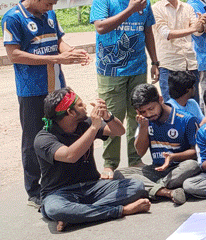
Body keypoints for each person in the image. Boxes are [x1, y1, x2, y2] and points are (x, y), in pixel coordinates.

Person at [4, 0, 89, 207]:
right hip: (32, 90)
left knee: (60, 134)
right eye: (47, 4)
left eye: (53, 5)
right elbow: (14, 55)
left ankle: (60, 183)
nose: (50, 9)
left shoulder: (50, 16)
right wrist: (55, 58)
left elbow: (58, 40)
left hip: (57, 88)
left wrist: (72, 51)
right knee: (33, 139)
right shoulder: (13, 17)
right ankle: (34, 191)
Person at [34, 88, 150, 231]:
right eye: (80, 105)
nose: (85, 107)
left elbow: (119, 131)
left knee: (136, 186)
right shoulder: (44, 138)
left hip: (92, 187)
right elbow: (70, 156)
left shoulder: (85, 124)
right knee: (56, 209)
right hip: (59, 193)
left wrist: (107, 115)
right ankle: (121, 210)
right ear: (70, 112)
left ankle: (76, 216)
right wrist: (94, 127)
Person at [90, 0, 160, 174]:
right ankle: (110, 163)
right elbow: (101, 27)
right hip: (111, 70)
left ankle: (135, 158)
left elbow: (148, 31)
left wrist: (154, 62)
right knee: (112, 115)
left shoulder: (143, 0)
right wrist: (129, 10)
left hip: (138, 67)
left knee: (137, 115)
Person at [122, 83, 201, 205]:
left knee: (192, 165)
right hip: (157, 169)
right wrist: (143, 128)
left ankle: (151, 188)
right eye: (143, 111)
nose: (148, 114)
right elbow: (140, 152)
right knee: (121, 173)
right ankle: (167, 192)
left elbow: (196, 152)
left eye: (151, 109)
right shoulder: (144, 121)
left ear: (160, 99)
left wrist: (173, 157)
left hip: (178, 168)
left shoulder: (186, 119)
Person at [151, 0, 203, 101]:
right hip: (169, 66)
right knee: (171, 107)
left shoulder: (187, 7)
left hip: (190, 64)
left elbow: (198, 31)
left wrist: (201, 23)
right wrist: (193, 28)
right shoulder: (155, 9)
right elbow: (166, 34)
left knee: (193, 103)